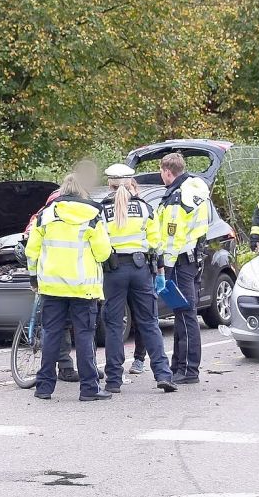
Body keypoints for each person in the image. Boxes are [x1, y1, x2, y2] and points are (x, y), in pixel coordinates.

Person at [25, 174, 113, 401]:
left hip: (52, 287)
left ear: (62, 191)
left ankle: (44, 388)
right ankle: (89, 389)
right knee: (84, 337)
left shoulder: (45, 215)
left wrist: (34, 277)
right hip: (83, 288)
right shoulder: (93, 215)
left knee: (51, 335)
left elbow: (31, 251)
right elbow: (103, 252)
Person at [100, 163, 177, 394]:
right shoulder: (144, 208)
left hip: (113, 270)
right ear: (131, 183)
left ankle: (113, 379)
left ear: (110, 184)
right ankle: (163, 374)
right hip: (141, 268)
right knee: (149, 323)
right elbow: (156, 242)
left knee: (114, 326)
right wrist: (159, 271)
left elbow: (98, 243)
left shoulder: (102, 210)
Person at [157, 153, 210, 385]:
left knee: (186, 314)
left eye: (161, 172)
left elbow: (172, 236)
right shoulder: (194, 190)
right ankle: (179, 364)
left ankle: (188, 369)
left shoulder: (178, 197)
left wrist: (164, 266)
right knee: (182, 314)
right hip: (191, 258)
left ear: (168, 172)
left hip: (178, 261)